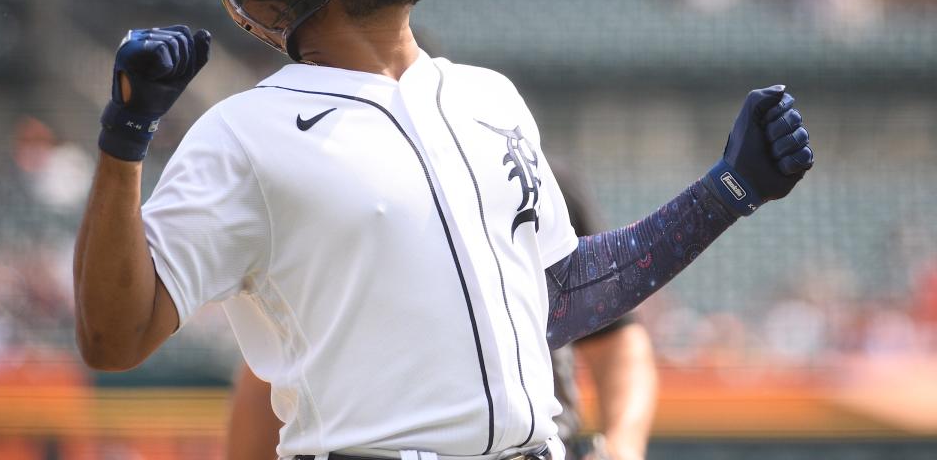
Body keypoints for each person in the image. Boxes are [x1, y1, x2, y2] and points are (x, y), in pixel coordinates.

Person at [73, 0, 813, 460]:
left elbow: (554, 298)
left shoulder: (488, 95)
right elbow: (114, 337)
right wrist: (124, 140)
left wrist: (726, 192)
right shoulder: (244, 135)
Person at [225, 162, 658, 460]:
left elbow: (616, 338)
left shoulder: (529, 176)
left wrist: (621, 444)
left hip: (534, 445)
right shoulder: (339, 198)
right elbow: (276, 366)